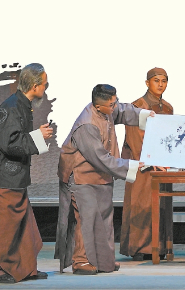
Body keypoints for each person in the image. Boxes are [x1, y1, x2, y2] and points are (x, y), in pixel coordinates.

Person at [55, 84, 153, 275]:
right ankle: (81, 261)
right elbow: (100, 158)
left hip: (100, 175)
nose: (115, 106)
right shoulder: (87, 125)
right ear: (98, 106)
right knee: (86, 218)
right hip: (81, 175)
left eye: (115, 101)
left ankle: (102, 260)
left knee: (104, 217)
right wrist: (131, 165)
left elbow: (123, 111)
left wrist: (146, 115)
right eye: (111, 104)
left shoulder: (108, 109)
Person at [0, 62, 53, 284]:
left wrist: (36, 136)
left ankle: (25, 268)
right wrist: (38, 137)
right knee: (3, 226)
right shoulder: (12, 106)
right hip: (1, 175)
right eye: (44, 84)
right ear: (34, 86)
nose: (45, 88)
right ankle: (0, 270)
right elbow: (8, 143)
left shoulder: (22, 104)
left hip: (13, 175)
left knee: (24, 224)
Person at [120, 67, 174, 261]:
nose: (160, 85)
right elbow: (134, 139)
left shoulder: (167, 107)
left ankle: (159, 247)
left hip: (162, 165)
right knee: (141, 204)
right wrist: (148, 160)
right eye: (156, 81)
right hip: (142, 164)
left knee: (161, 205)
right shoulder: (136, 106)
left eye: (164, 81)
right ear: (147, 83)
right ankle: (139, 248)